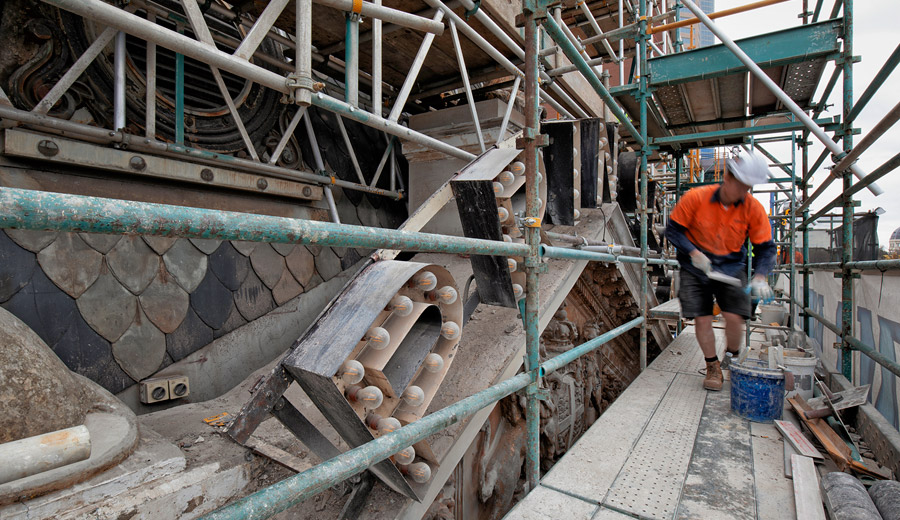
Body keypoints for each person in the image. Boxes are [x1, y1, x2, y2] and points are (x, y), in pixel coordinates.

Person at [665, 150, 776, 391]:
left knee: (735, 316)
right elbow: (673, 230)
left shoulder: (752, 209)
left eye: (749, 187)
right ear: (727, 178)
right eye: (742, 185)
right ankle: (712, 366)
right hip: (695, 265)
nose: (744, 192)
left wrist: (760, 276)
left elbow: (766, 248)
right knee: (702, 317)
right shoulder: (696, 197)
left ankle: (732, 356)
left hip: (731, 265)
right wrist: (694, 253)